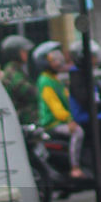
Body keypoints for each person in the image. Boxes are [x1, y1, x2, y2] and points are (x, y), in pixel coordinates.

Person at [36, 48, 87, 179]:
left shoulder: (55, 79)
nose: (59, 63)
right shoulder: (45, 81)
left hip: (61, 120)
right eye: (54, 60)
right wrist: (69, 120)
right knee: (78, 131)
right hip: (53, 123)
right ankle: (75, 167)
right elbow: (55, 106)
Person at [0, 35, 38, 126]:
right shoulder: (13, 72)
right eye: (23, 51)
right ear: (15, 53)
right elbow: (30, 92)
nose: (26, 54)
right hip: (23, 119)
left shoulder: (15, 70)